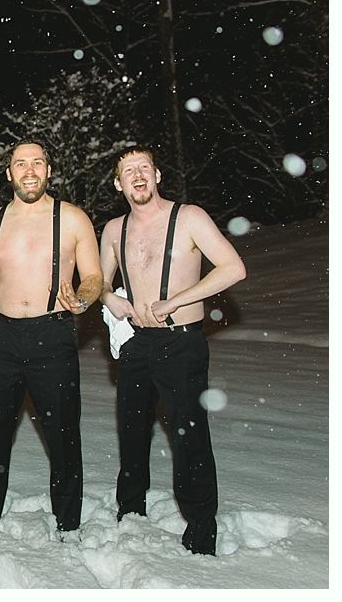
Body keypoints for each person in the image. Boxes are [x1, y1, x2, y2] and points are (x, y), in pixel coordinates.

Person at [99, 146, 246, 556]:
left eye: (144, 168)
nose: (138, 176)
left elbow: (233, 267)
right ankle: (130, 510)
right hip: (135, 342)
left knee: (189, 434)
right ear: (119, 183)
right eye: (129, 171)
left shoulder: (189, 217)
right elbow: (99, 282)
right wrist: (109, 297)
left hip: (181, 341)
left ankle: (201, 531)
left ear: (158, 175)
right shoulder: (114, 229)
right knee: (131, 430)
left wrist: (178, 299)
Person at [0, 140, 103, 539]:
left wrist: (82, 298)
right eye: (20, 164)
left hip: (52, 334)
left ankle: (68, 525)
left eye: (37, 163)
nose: (29, 171)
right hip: (1, 336)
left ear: (49, 171)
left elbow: (93, 276)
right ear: (8, 173)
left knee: (62, 433)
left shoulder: (73, 219)